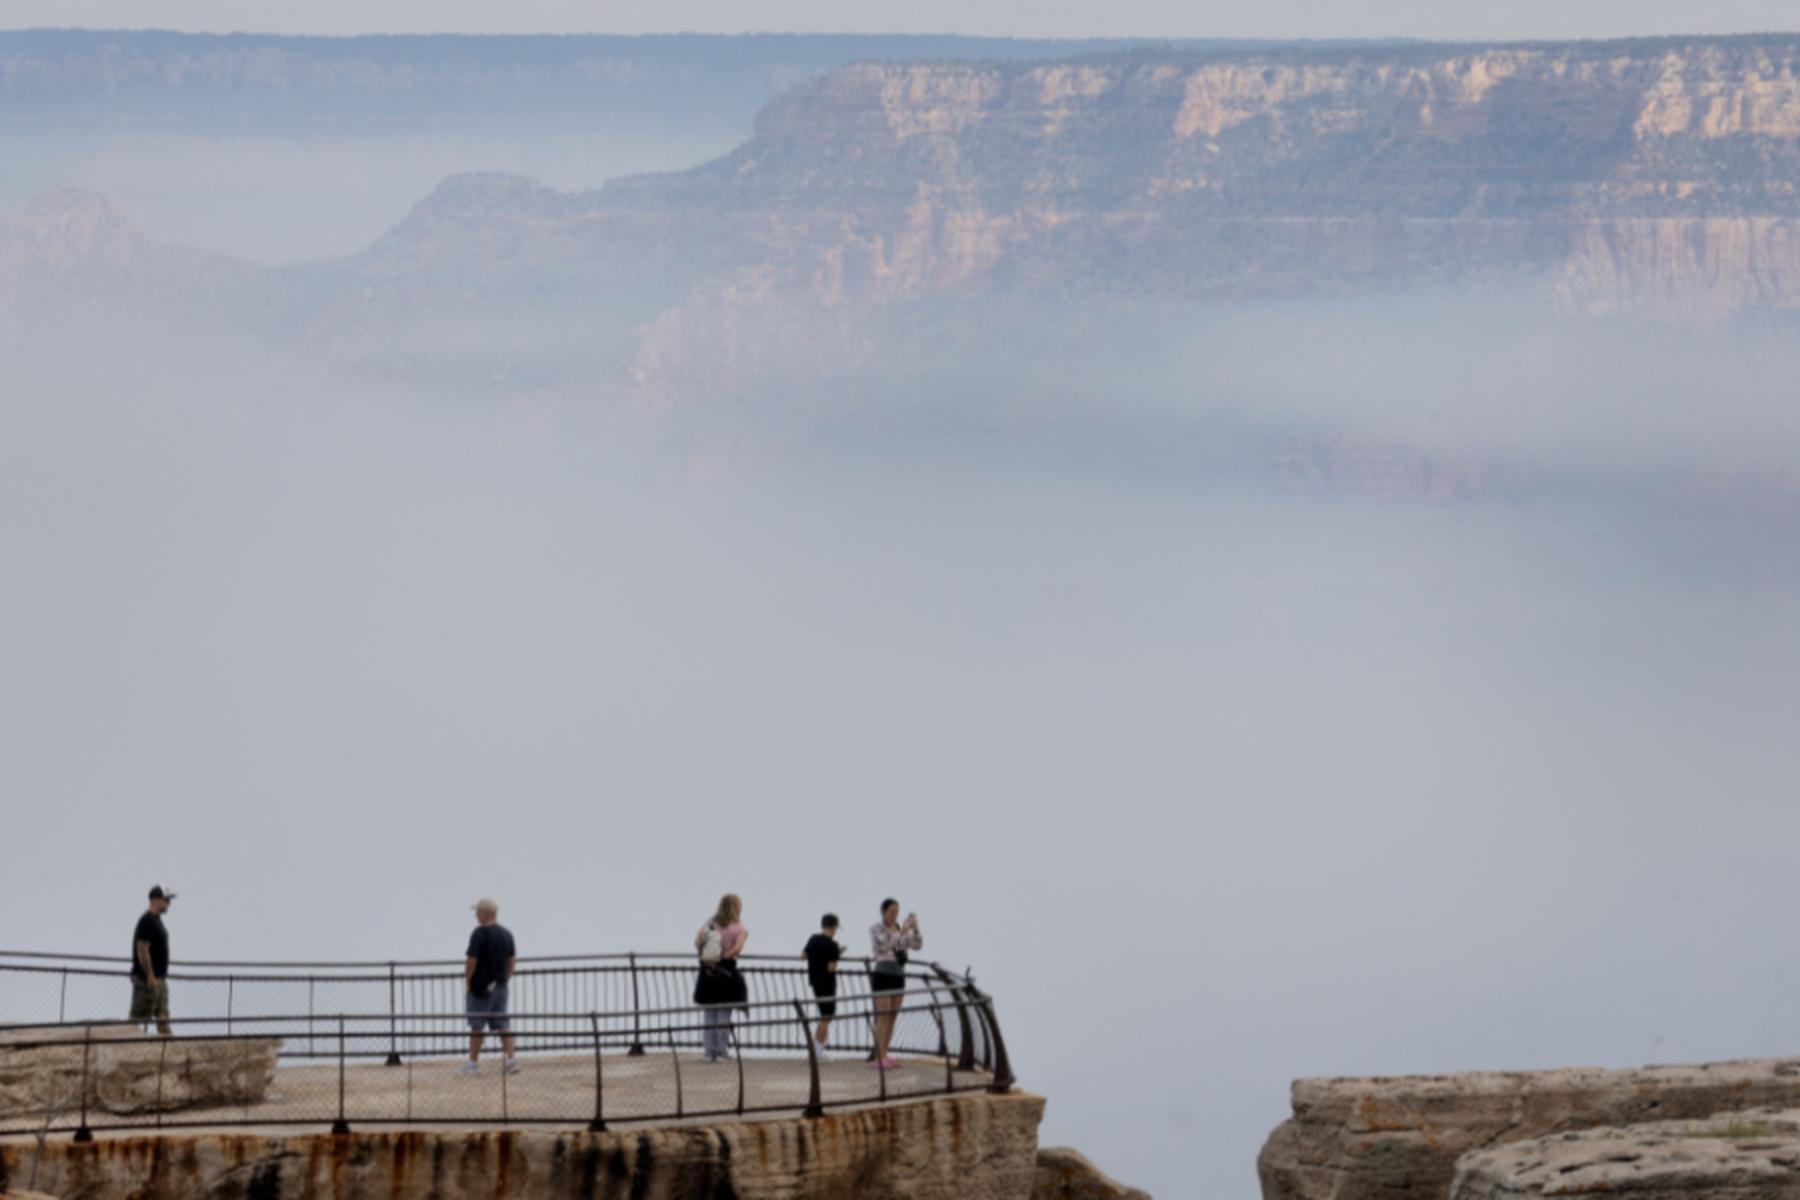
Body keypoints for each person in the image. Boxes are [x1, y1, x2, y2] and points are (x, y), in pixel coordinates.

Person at [459, 897, 518, 1075]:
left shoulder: (480, 933)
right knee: (503, 1024)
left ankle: (472, 1064)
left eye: (478, 911)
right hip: (501, 986)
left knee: (477, 1025)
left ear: (485, 913)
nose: (476, 915)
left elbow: (472, 960)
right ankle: (512, 1061)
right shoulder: (506, 934)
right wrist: (505, 978)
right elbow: (512, 960)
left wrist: (468, 980)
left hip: (482, 987)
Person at [693, 893, 748, 1062]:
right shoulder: (738, 927)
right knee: (723, 1014)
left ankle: (709, 1052)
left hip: (708, 972)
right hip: (725, 973)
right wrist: (724, 957)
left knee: (709, 1014)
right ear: (736, 908)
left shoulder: (710, 922)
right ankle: (721, 1051)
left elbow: (697, 942)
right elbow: (737, 949)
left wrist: (711, 958)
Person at [868, 898, 921, 1070]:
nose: (895, 915)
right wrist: (902, 932)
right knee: (883, 1016)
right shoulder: (876, 928)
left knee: (892, 1017)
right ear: (883, 912)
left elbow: (917, 945)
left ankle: (885, 1054)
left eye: (897, 912)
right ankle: (878, 1055)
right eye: (892, 911)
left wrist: (915, 928)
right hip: (883, 973)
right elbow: (885, 944)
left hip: (898, 974)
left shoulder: (900, 929)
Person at [130, 886, 175, 1036]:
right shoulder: (147, 920)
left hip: (160, 979)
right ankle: (129, 1048)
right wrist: (150, 975)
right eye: (166, 900)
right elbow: (142, 949)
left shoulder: (156, 921)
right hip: (147, 980)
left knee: (163, 1017)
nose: (168, 903)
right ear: (156, 899)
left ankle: (169, 1049)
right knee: (137, 1020)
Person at [802, 913, 842, 1055]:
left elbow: (803, 956)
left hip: (814, 981)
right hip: (828, 983)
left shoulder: (813, 939)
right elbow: (831, 968)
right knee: (827, 1016)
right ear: (834, 927)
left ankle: (818, 1048)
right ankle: (816, 1049)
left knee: (824, 1015)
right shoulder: (832, 945)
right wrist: (837, 955)